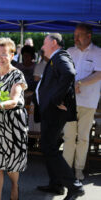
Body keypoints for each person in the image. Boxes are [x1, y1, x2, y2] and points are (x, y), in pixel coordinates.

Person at [36, 33, 84, 200]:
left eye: (44, 43)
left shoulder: (60, 57)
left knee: (49, 147)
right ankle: (56, 184)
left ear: (53, 43)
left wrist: (56, 99)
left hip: (54, 112)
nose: (42, 47)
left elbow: (70, 74)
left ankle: (74, 186)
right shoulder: (55, 58)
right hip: (50, 111)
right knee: (50, 146)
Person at [0, 37, 28, 200]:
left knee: (11, 165)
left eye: (4, 54)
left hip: (13, 125)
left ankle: (15, 186)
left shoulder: (17, 75)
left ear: (12, 55)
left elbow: (14, 101)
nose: (0, 58)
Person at [63, 23, 101, 181]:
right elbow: (64, 73)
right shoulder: (70, 51)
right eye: (75, 35)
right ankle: (65, 170)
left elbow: (99, 74)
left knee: (83, 137)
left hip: (88, 102)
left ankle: (78, 169)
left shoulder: (98, 52)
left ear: (89, 36)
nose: (75, 38)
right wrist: (71, 84)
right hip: (70, 101)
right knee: (68, 137)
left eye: (79, 35)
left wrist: (79, 83)